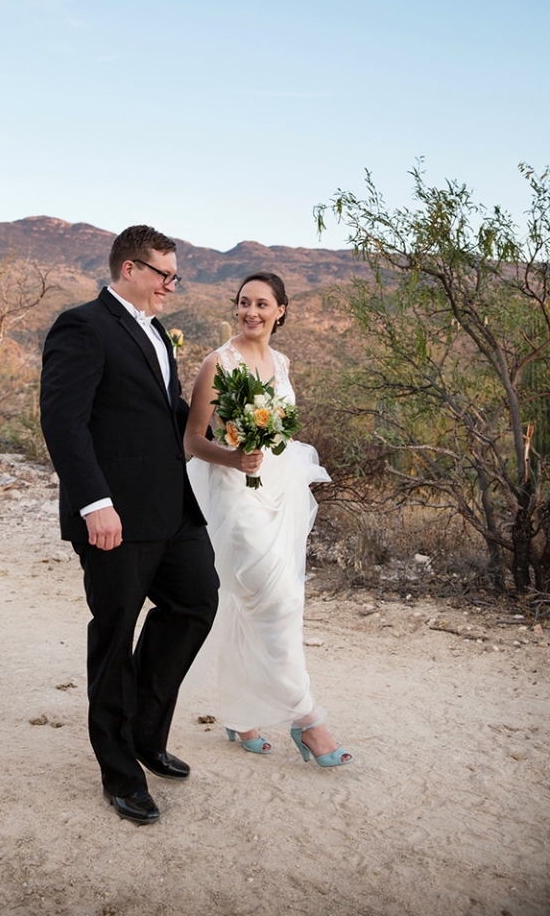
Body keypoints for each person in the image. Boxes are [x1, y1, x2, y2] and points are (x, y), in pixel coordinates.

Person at [40, 225, 219, 825]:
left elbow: (162, 411)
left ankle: (145, 731)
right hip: (114, 515)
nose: (172, 285)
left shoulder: (157, 330)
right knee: (116, 636)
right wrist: (95, 503)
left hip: (171, 508)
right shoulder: (82, 326)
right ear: (129, 269)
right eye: (164, 274)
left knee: (195, 603)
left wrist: (224, 422)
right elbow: (63, 422)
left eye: (175, 275)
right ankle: (120, 774)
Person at [184, 272, 352, 766]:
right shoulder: (218, 363)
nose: (250, 312)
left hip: (280, 494)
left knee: (256, 605)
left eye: (261, 304)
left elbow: (282, 431)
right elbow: (192, 439)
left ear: (281, 311)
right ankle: (309, 720)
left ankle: (240, 714)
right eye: (243, 303)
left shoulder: (281, 363)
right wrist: (235, 458)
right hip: (235, 496)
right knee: (274, 601)